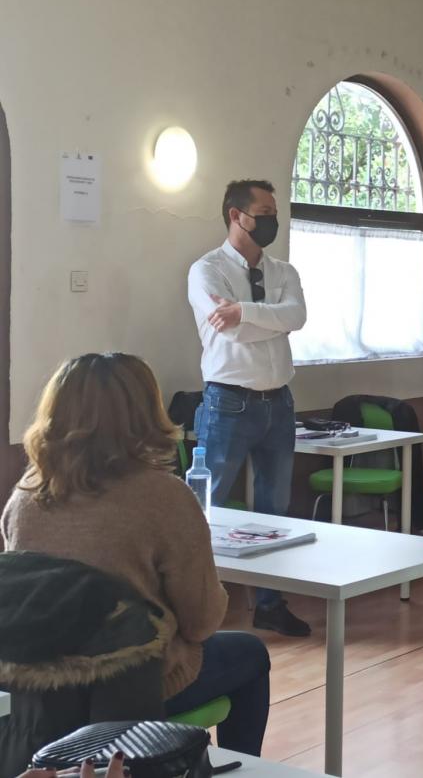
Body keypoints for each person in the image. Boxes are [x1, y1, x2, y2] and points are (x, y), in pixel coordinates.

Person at [1, 354, 270, 756]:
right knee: (251, 653)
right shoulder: (164, 497)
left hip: (37, 692)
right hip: (130, 691)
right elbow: (201, 622)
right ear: (144, 412)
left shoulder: (25, 496)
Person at [187, 179, 310, 636]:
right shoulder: (207, 270)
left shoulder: (283, 271)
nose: (272, 219)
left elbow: (297, 316)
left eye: (274, 211)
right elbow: (232, 332)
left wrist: (245, 311)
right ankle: (196, 607)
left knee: (275, 508)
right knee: (209, 507)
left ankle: (270, 604)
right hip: (229, 402)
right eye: (264, 213)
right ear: (236, 216)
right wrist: (265, 320)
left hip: (279, 401)